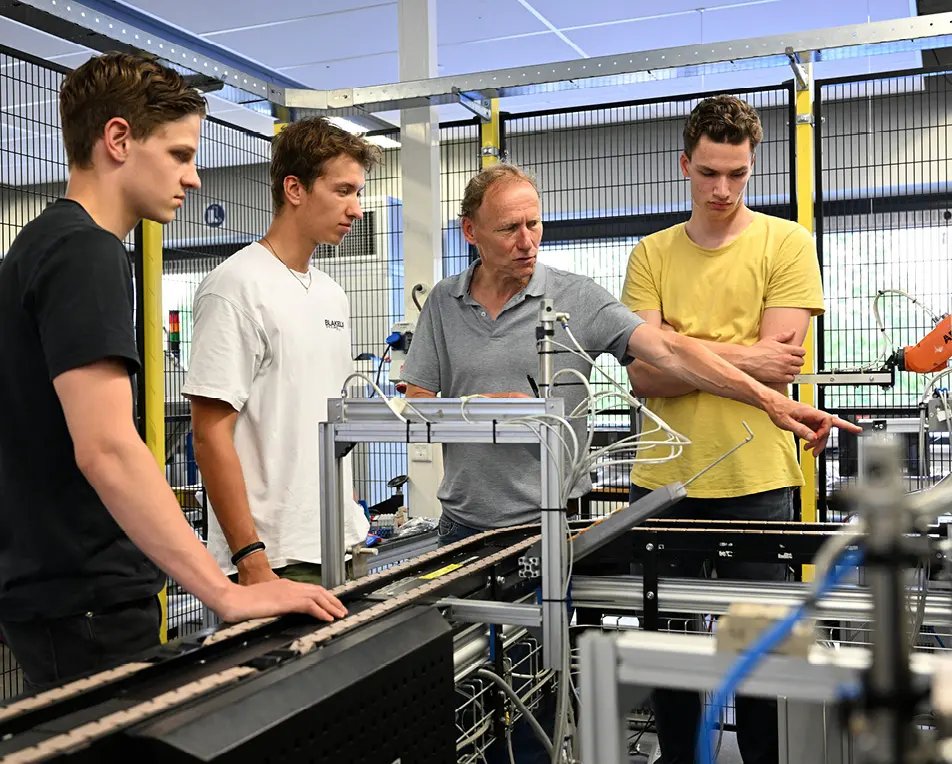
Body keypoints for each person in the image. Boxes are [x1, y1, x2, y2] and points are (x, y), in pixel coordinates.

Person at [0, 53, 347, 694]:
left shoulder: (39, 243)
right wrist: (227, 590)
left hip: (61, 593)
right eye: (181, 155)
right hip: (88, 599)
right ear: (119, 140)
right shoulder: (87, 252)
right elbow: (106, 447)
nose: (192, 179)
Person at [401, 163, 858, 549]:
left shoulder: (576, 298)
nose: (527, 241)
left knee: (545, 652)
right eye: (508, 229)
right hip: (460, 523)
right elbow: (416, 399)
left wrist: (774, 401)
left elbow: (672, 351)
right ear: (470, 231)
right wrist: (479, 412)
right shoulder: (444, 301)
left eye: (534, 224)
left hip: (551, 522)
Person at [621, 95, 823, 764]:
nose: (722, 189)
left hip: (758, 482)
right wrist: (745, 357)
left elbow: (782, 373)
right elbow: (645, 378)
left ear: (752, 166)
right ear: (685, 164)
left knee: (761, 662)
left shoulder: (788, 243)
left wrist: (680, 346)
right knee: (673, 664)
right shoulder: (650, 254)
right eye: (709, 172)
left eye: (737, 174)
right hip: (664, 486)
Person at [183, 117, 375, 586]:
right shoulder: (236, 287)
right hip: (276, 560)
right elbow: (209, 435)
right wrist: (252, 561)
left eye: (358, 193)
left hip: (338, 545)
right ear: (295, 188)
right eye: (343, 191)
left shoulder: (331, 293)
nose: (357, 209)